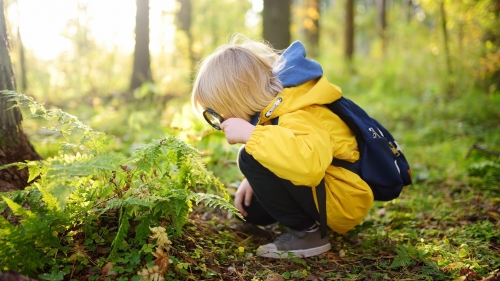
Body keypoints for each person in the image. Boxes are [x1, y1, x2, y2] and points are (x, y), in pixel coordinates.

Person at [190, 34, 374, 259]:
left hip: (342, 199)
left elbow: (310, 165)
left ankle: (308, 234)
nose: (218, 121)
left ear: (237, 99)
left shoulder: (298, 110)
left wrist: (252, 136)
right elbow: (284, 145)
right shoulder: (274, 109)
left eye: (216, 113)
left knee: (248, 157)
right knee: (252, 210)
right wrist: (253, 179)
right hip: (327, 190)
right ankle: (299, 222)